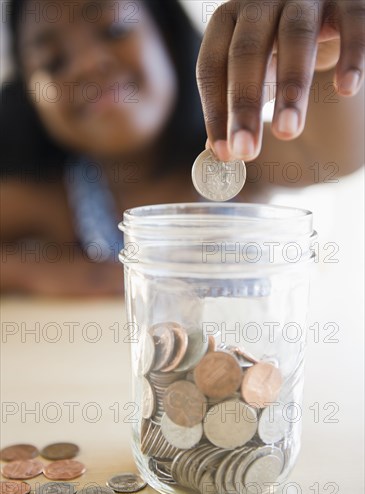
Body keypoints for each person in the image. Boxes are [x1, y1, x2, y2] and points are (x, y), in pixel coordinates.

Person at [1, 0, 364, 296]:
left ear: (168, 41)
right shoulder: (57, 200)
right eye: (53, 62)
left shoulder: (242, 155)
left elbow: (338, 154)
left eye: (114, 30)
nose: (86, 64)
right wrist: (28, 271)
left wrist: (325, 53)